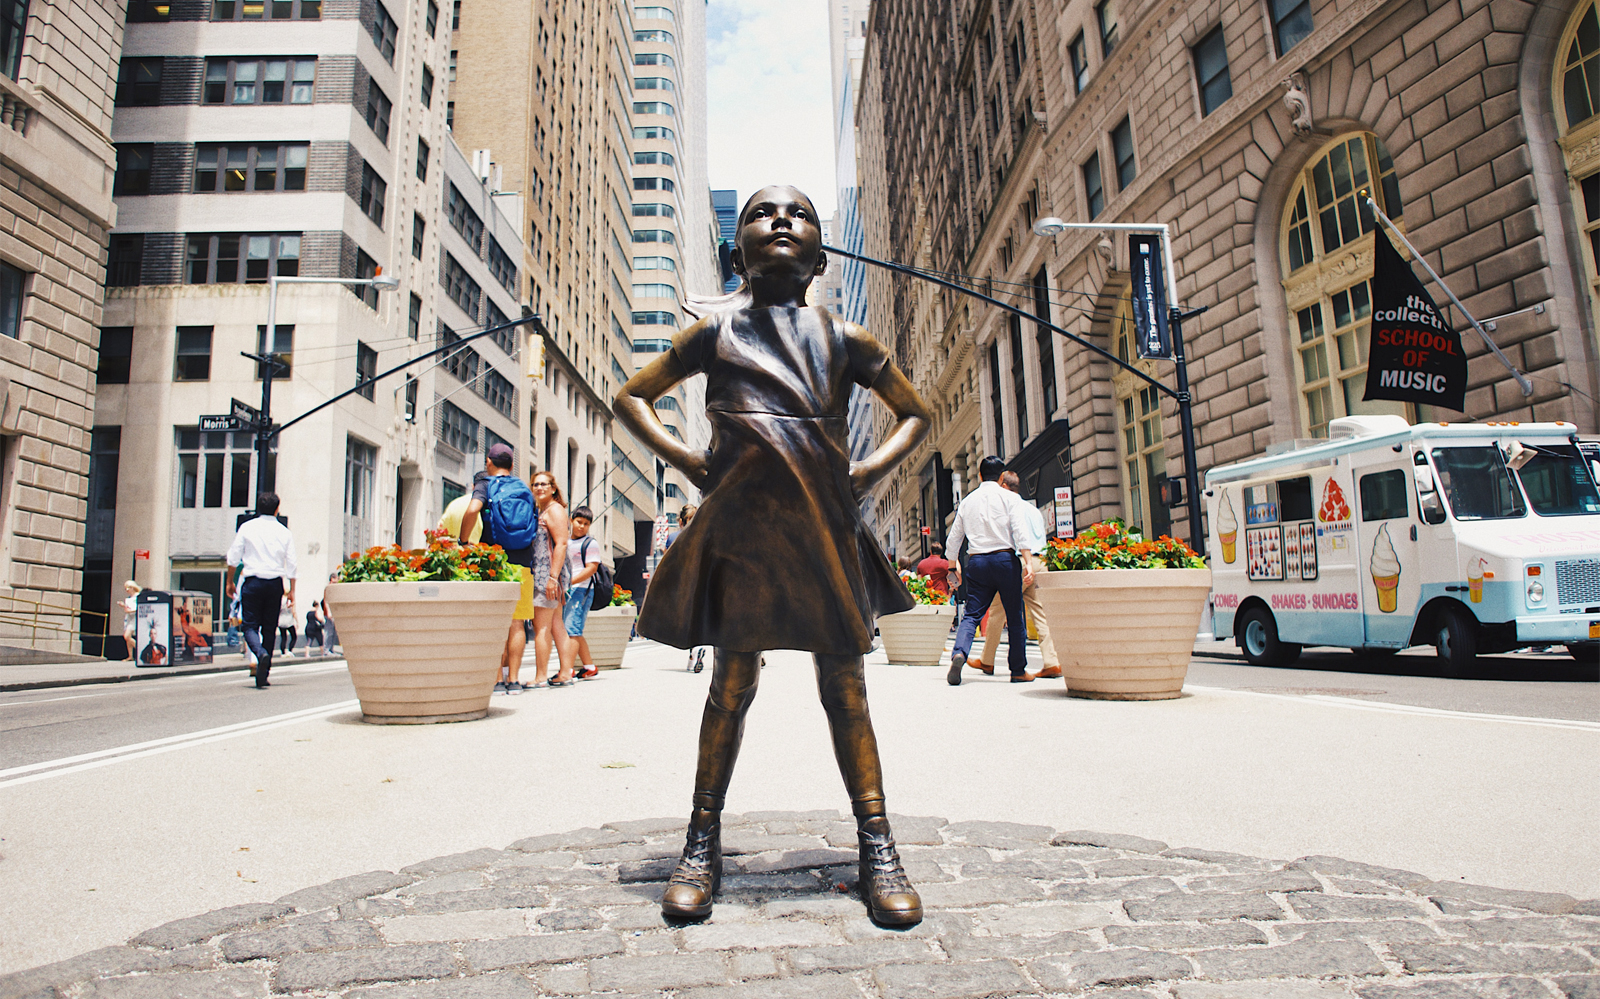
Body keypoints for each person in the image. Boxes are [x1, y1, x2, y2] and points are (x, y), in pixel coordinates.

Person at [614, 185, 931, 927]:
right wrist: (688, 461)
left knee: (846, 688)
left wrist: (866, 471)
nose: (781, 219)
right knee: (730, 682)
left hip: (824, 526)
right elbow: (633, 396)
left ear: (819, 257)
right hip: (742, 533)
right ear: (739, 254)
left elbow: (917, 414)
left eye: (798, 213)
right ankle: (702, 839)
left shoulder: (846, 339)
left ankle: (877, 843)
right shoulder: (713, 336)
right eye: (762, 212)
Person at [944, 456, 1034, 686]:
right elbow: (1019, 530)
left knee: (972, 614)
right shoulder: (1009, 498)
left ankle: (959, 653)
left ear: (981, 476)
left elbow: (954, 538)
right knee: (1014, 616)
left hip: (977, 562)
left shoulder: (967, 501)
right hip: (1004, 559)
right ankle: (1017, 670)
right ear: (1002, 476)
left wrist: (953, 566)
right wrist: (1028, 562)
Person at [458, 444, 539, 692]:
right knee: (517, 623)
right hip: (523, 561)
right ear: (512, 465)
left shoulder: (486, 484)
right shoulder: (523, 487)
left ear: (488, 463)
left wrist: (463, 540)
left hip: (496, 561)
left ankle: (495, 679)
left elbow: (473, 509)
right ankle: (514, 680)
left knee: (495, 622)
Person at [975, 471, 1060, 680]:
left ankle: (986, 659)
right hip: (1041, 562)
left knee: (997, 609)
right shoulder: (1033, 510)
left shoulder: (1009, 507)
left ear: (1003, 486)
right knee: (1040, 613)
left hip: (1021, 562)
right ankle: (1052, 661)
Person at [226, 493, 297, 688]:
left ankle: (259, 653)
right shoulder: (284, 532)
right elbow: (291, 563)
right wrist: (292, 590)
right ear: (277, 509)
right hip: (275, 583)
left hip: (253, 581)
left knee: (249, 626)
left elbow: (233, 557)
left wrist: (230, 581)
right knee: (269, 628)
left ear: (258, 508)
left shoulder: (247, 527)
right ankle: (263, 674)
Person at [527, 469, 576, 686]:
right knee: (556, 624)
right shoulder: (545, 510)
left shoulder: (554, 511)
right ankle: (566, 672)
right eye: (535, 484)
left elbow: (562, 544)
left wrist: (552, 578)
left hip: (547, 575)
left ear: (553, 488)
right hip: (549, 575)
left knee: (542, 626)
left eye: (544, 484)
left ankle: (540, 677)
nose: (539, 488)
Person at [564, 505, 604, 679]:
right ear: (571, 520)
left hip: (581, 590)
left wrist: (570, 582)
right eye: (579, 522)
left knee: (572, 629)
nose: (581, 526)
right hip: (568, 590)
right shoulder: (566, 541)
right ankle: (589, 666)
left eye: (586, 524)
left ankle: (567, 669)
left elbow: (591, 568)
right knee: (573, 629)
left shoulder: (590, 543)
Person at [668, 505, 707, 673]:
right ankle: (696, 650)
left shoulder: (674, 537)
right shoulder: (705, 536)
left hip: (689, 584)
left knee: (693, 618)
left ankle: (694, 651)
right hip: (696, 583)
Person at [439, 471, 488, 542]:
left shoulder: (455, 504)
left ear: (472, 486)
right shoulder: (494, 505)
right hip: (486, 552)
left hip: (456, 552)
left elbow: (441, 530)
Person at [120, 581, 140, 658]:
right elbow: (128, 608)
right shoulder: (129, 598)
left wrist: (129, 610)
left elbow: (137, 608)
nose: (127, 590)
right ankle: (130, 656)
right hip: (129, 618)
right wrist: (123, 606)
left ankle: (139, 650)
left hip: (135, 618)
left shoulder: (137, 596)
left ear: (132, 587)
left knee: (127, 636)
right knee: (128, 637)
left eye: (128, 588)